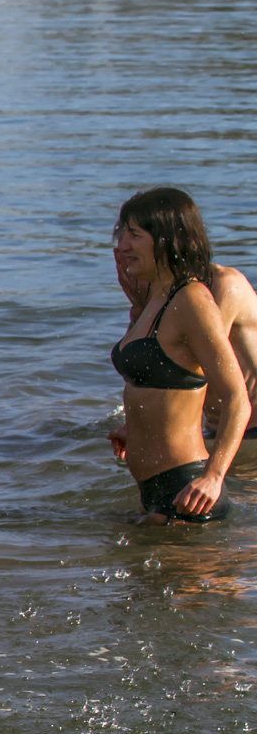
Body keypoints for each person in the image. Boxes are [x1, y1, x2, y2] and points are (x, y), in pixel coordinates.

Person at [107, 188, 250, 523]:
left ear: (167, 240)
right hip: (153, 491)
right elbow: (166, 383)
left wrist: (213, 477)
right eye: (121, 234)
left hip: (188, 491)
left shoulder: (191, 300)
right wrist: (135, 423)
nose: (122, 246)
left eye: (134, 235)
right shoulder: (154, 299)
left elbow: (237, 397)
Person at [116, 236, 257, 439]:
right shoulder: (165, 295)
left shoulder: (223, 286)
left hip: (251, 433)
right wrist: (139, 309)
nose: (123, 249)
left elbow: (185, 369)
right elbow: (139, 372)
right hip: (217, 431)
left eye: (134, 236)